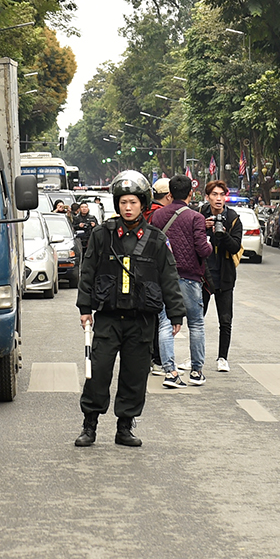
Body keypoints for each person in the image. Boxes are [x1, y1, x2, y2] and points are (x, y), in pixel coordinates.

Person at [74, 170, 186, 448]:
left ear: (143, 203)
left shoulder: (157, 240)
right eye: (123, 202)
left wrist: (175, 312)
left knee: (135, 375)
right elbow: (87, 271)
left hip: (141, 320)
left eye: (133, 202)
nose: (127, 207)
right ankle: (90, 424)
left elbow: (168, 277)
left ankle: (125, 426)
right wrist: (84, 309)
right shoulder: (102, 236)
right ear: (116, 204)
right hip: (109, 318)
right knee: (97, 372)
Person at [151, 174, 211, 388]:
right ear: (190, 193)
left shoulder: (157, 217)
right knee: (195, 323)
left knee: (165, 323)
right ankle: (196, 371)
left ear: (169, 194)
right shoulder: (196, 218)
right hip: (190, 279)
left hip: (163, 278)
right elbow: (203, 249)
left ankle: (170, 372)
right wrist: (211, 245)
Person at [200, 180, 243, 373]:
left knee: (225, 320)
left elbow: (235, 246)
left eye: (221, 195)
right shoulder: (199, 215)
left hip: (225, 276)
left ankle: (222, 358)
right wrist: (203, 226)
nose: (218, 199)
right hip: (203, 276)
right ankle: (196, 357)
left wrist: (223, 233)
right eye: (214, 195)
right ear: (207, 197)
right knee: (197, 319)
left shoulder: (233, 218)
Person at [146, 177, 172, 376]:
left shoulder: (146, 213)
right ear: (169, 196)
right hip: (158, 272)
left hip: (142, 271)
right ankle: (158, 359)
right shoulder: (161, 215)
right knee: (161, 319)